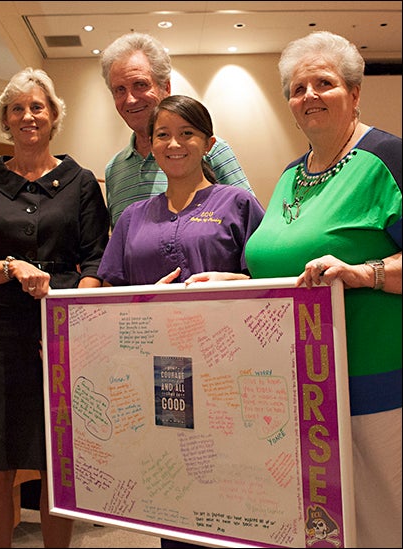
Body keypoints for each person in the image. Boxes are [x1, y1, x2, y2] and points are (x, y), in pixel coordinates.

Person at [186, 31, 402, 549]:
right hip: (301, 389)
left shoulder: (387, 158)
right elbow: (286, 275)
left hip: (375, 382)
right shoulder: (289, 174)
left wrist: (364, 272)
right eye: (297, 87)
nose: (309, 95)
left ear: (353, 93)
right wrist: (235, 281)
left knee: (383, 522)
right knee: (325, 526)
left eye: (323, 83)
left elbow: (354, 268)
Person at [0, 67, 110, 548]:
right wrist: (9, 267)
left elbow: (96, 259)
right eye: (17, 108)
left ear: (54, 115)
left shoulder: (81, 181)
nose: (28, 115)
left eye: (37, 106)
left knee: (58, 467)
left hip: (58, 336)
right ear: (5, 119)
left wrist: (72, 321)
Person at [97, 94, 264, 288]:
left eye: (186, 133)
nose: (174, 144)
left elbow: (270, 279)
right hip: (148, 319)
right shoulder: (131, 218)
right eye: (163, 135)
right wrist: (146, 299)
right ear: (152, 145)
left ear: (208, 145)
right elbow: (110, 293)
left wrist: (235, 280)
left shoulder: (238, 204)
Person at [100, 32, 254, 228]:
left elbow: (249, 225)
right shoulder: (114, 169)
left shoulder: (211, 150)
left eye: (140, 84)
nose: (130, 99)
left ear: (166, 87)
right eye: (119, 90)